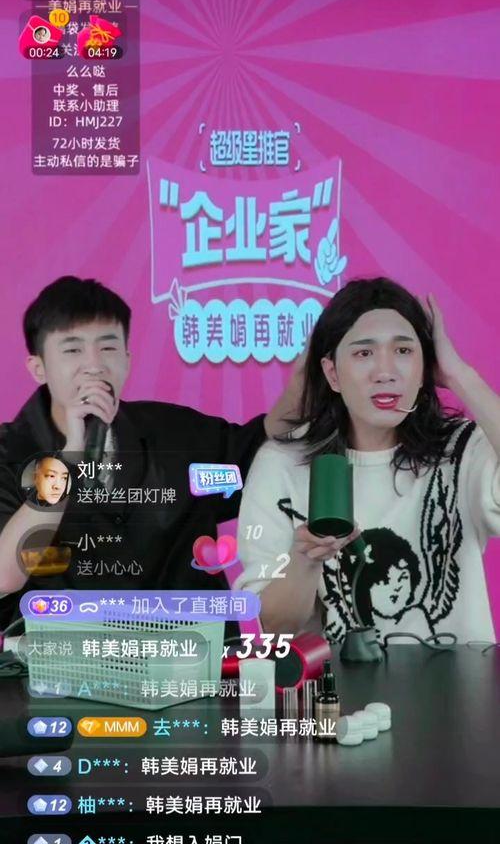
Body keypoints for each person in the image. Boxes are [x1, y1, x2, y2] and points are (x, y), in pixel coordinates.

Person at [0, 276, 303, 625]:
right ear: (38, 368)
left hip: (188, 650)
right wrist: (70, 456)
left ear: (127, 359)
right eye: (73, 350)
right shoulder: (10, 451)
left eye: (108, 347)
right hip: (62, 654)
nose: (94, 365)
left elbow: (264, 443)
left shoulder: (178, 432)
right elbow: (6, 577)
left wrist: (307, 379)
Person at [234, 277, 500, 645]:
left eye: (403, 351)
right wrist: (305, 560)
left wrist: (460, 375)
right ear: (332, 373)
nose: (385, 372)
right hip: (340, 682)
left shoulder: (462, 449)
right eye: (364, 354)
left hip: (459, 680)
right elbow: (273, 627)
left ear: (426, 367)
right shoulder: (282, 463)